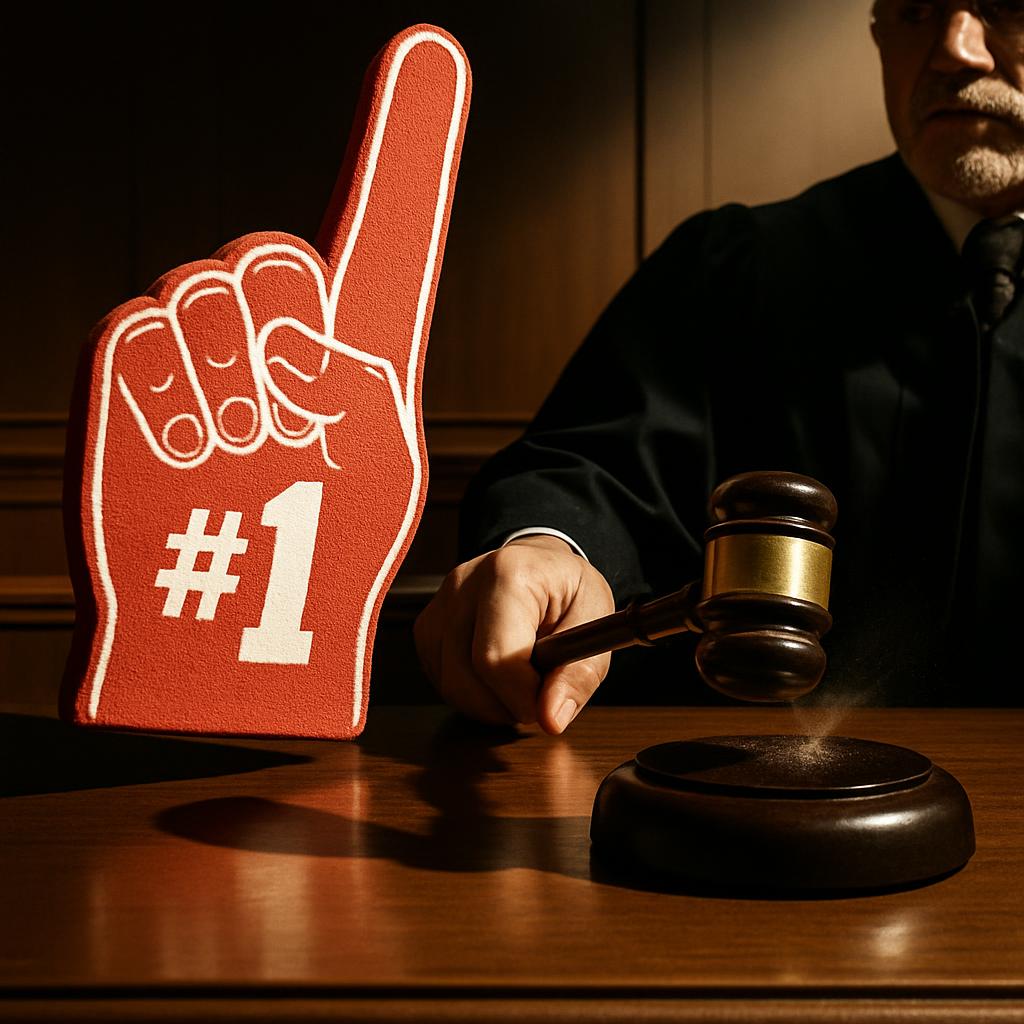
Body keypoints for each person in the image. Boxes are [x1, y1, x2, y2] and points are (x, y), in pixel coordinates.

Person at [415, 0, 1024, 732]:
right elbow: (589, 469)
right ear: (878, 34)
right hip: (739, 779)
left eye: (1007, 5)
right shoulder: (732, 268)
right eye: (916, 8)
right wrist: (548, 545)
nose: (955, 47)